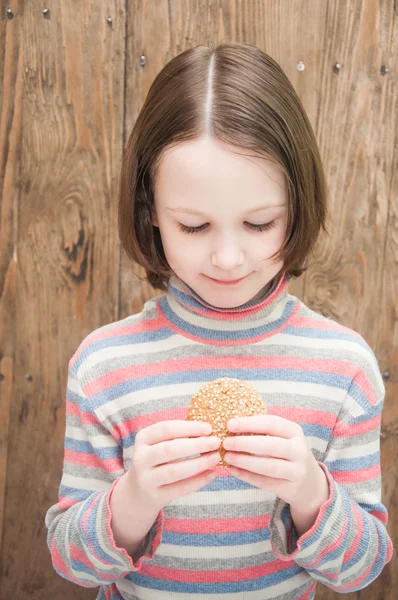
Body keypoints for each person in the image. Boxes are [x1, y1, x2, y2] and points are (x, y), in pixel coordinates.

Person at [45, 42, 393, 600]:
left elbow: (361, 571)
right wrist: (131, 499)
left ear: (298, 207)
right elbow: (71, 563)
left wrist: (309, 492)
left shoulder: (343, 367)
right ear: (150, 211)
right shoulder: (104, 365)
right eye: (193, 226)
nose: (227, 258)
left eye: (259, 223)